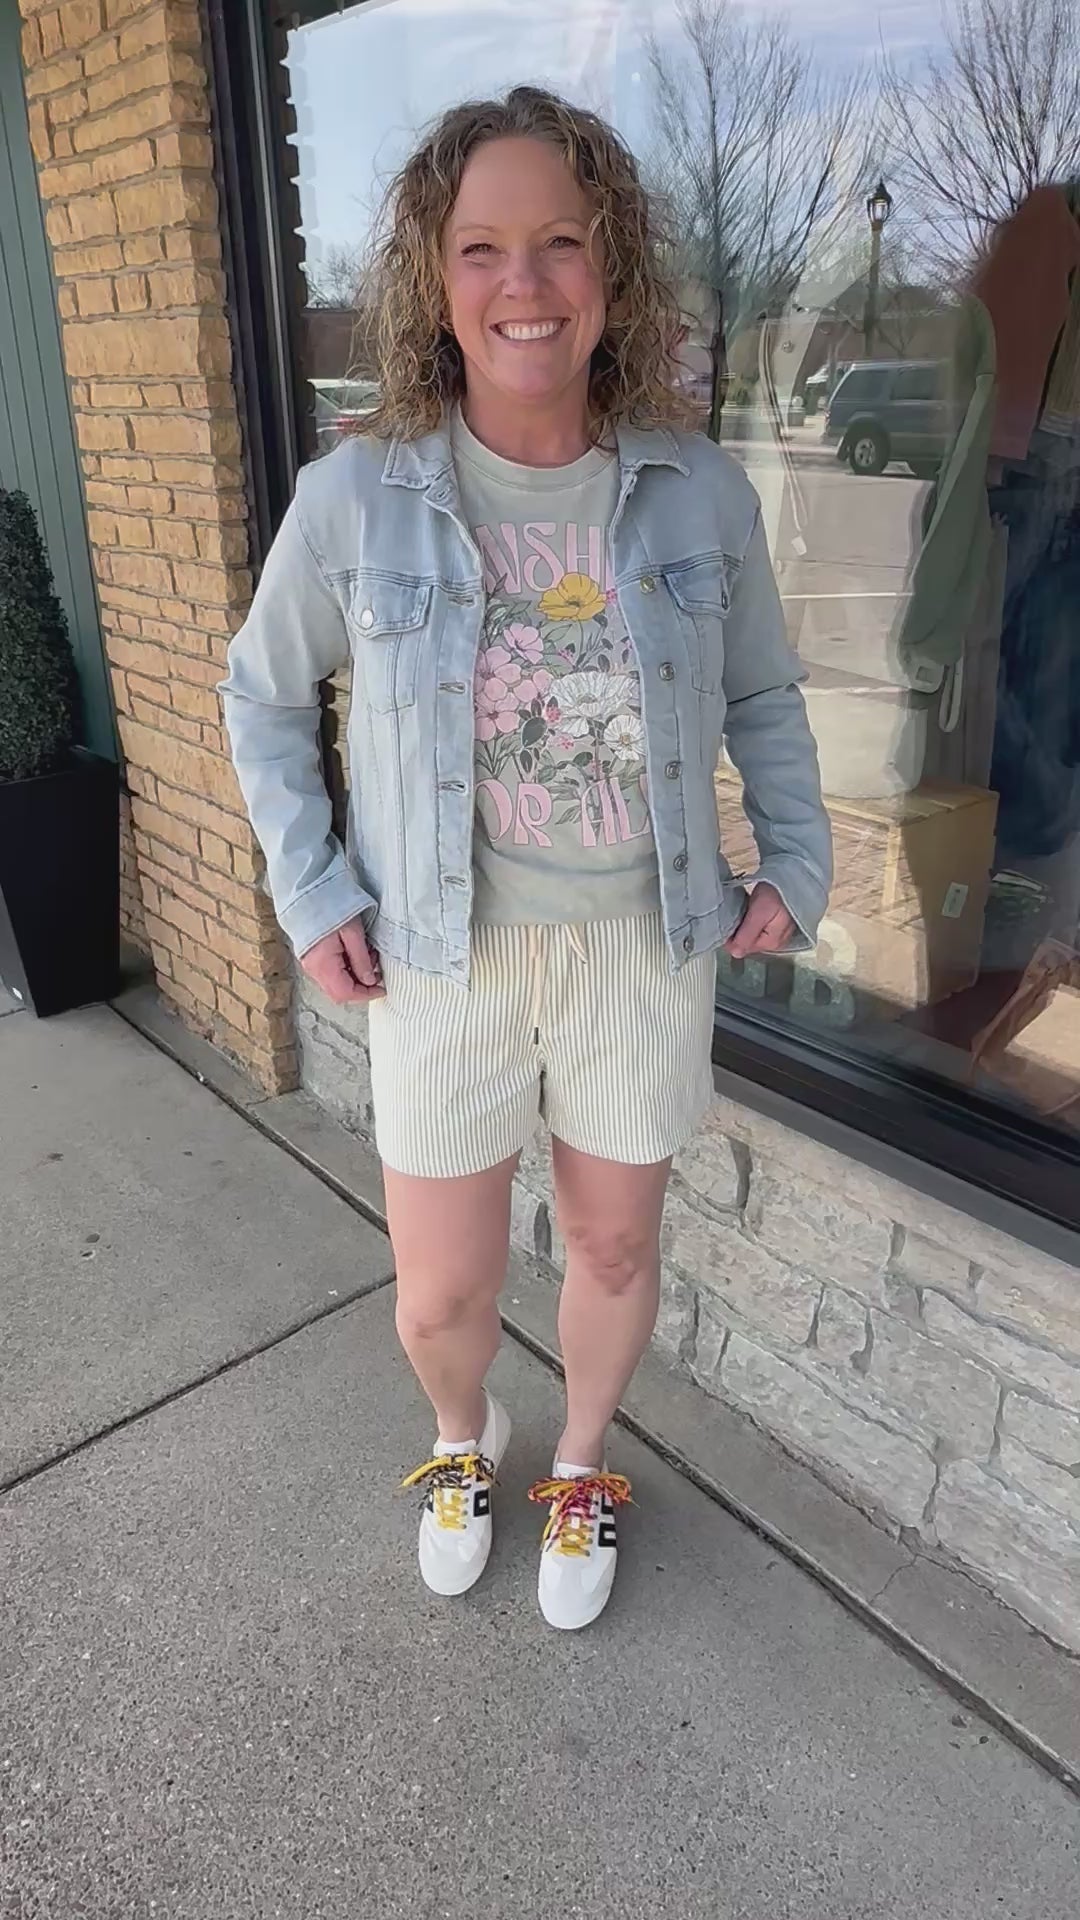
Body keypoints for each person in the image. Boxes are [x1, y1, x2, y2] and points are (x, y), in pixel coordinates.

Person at [221, 86, 831, 1631]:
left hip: (640, 946)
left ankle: (583, 1459)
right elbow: (262, 697)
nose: (525, 284)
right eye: (482, 249)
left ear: (609, 265)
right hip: (442, 957)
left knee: (616, 1242)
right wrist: (313, 887)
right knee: (441, 1292)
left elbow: (763, 691)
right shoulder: (357, 497)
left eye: (560, 242)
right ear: (436, 280)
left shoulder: (696, 487)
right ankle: (462, 1433)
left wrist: (796, 861)